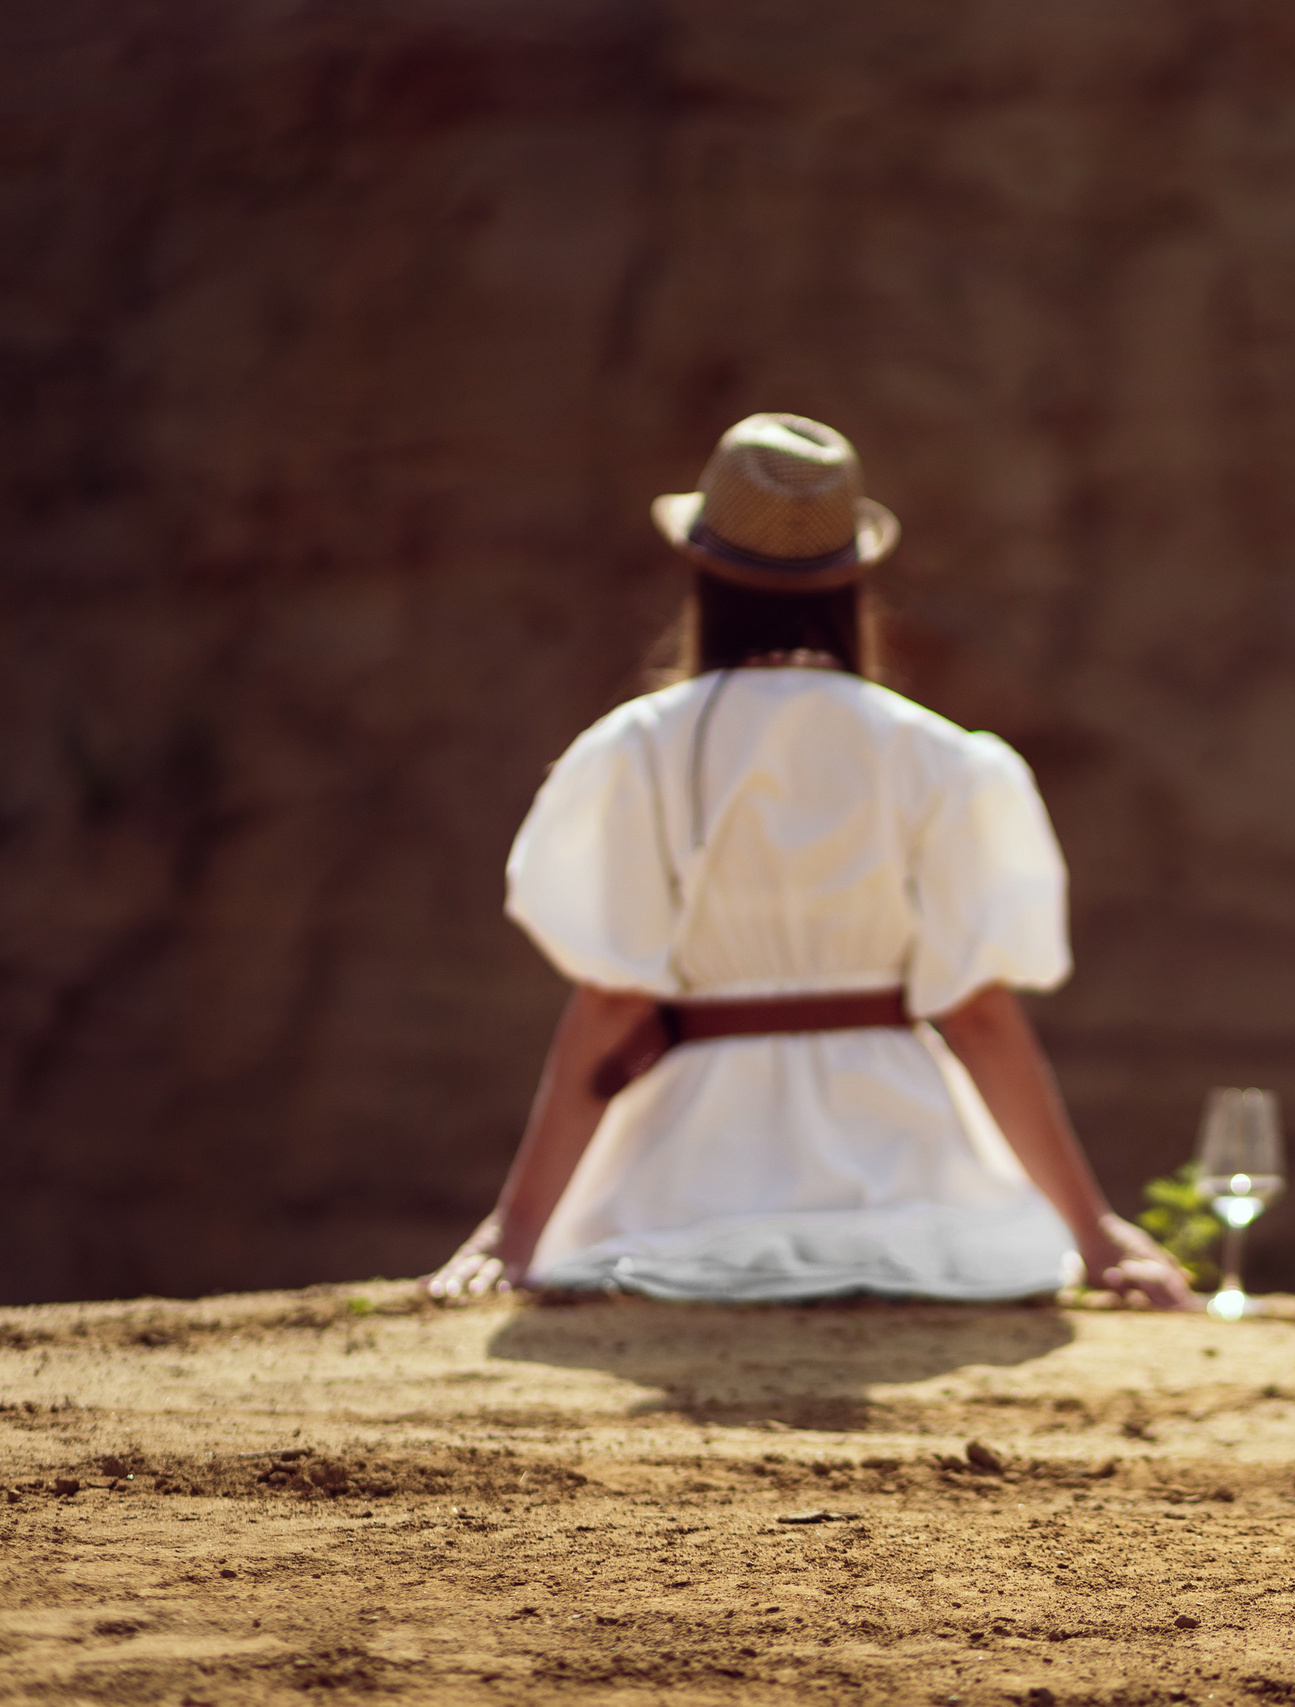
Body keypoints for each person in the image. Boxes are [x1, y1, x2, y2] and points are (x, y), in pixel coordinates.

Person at [427, 413, 1192, 1309]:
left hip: (691, 1188)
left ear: (704, 571)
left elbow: (613, 998)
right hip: (912, 1185)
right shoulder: (937, 757)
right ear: (852, 579)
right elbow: (979, 1015)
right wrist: (1093, 1238)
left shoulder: (638, 749)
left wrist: (510, 1234)